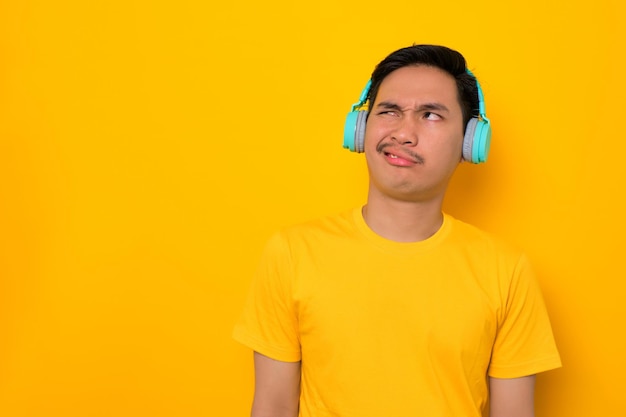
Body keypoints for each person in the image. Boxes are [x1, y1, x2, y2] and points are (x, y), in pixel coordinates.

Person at [233, 44, 561, 417]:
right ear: (360, 128)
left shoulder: (507, 270)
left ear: (470, 143)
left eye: (431, 115)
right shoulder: (291, 253)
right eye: (389, 111)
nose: (404, 133)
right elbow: (272, 408)